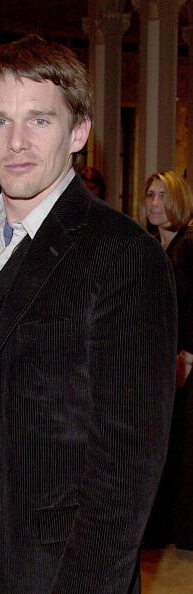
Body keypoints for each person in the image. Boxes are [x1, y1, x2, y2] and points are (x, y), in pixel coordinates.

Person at [0, 34, 178, 594]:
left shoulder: (125, 254)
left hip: (62, 572)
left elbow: (126, 467)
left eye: (39, 120)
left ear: (78, 132)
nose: (16, 142)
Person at [140, 170, 193, 550]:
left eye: (162, 195)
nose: (155, 203)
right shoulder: (155, 245)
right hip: (165, 365)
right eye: (150, 195)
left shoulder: (189, 245)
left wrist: (188, 356)